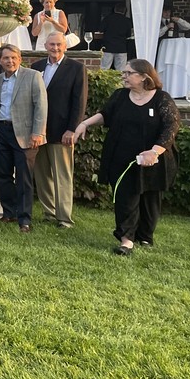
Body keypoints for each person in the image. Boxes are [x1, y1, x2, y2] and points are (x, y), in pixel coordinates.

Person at [74, 60, 179, 256]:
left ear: (144, 77)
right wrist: (84, 124)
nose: (124, 76)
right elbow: (105, 115)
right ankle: (126, 240)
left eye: (129, 73)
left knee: (150, 199)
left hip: (152, 158)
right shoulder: (120, 95)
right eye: (124, 73)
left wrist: (154, 152)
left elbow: (171, 127)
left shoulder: (162, 99)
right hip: (121, 157)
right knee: (125, 198)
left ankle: (145, 236)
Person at [31, 32, 88, 228]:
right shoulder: (36, 67)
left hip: (62, 131)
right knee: (42, 174)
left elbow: (79, 101)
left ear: (65, 46)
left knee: (62, 175)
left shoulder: (76, 68)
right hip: (39, 131)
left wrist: (72, 129)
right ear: (45, 46)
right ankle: (49, 212)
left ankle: (64, 218)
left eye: (59, 45)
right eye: (52, 44)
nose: (55, 48)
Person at [0, 44, 48, 232]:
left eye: (13, 57)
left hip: (25, 134)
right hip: (1, 132)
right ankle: (9, 213)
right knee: (3, 175)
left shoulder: (33, 76)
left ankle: (24, 219)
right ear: (0, 60)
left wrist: (38, 132)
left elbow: (41, 106)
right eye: (6, 58)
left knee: (24, 178)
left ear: (20, 58)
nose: (10, 61)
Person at [99, 1, 133, 70]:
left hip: (108, 47)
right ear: (124, 11)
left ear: (115, 9)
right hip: (121, 47)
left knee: (104, 69)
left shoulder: (107, 18)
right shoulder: (127, 21)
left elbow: (101, 30)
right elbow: (128, 35)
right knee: (121, 70)